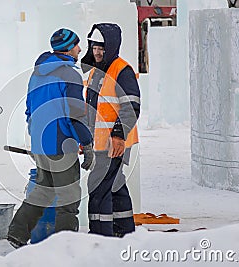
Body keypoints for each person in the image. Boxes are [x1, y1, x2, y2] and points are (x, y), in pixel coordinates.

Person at [7, 28, 95, 248]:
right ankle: (64, 246)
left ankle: (17, 233)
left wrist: (36, 133)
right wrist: (86, 142)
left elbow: (29, 108)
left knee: (43, 193)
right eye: (76, 45)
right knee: (68, 199)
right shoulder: (69, 74)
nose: (80, 49)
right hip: (61, 144)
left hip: (40, 143)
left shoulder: (37, 73)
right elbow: (75, 114)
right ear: (67, 48)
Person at [81, 23, 141, 237]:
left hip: (115, 141)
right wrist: (85, 138)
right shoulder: (96, 72)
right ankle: (124, 229)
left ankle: (100, 235)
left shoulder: (121, 70)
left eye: (101, 48)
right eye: (94, 47)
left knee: (98, 186)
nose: (97, 52)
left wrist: (118, 135)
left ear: (112, 47)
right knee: (115, 184)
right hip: (100, 142)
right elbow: (92, 109)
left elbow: (131, 107)